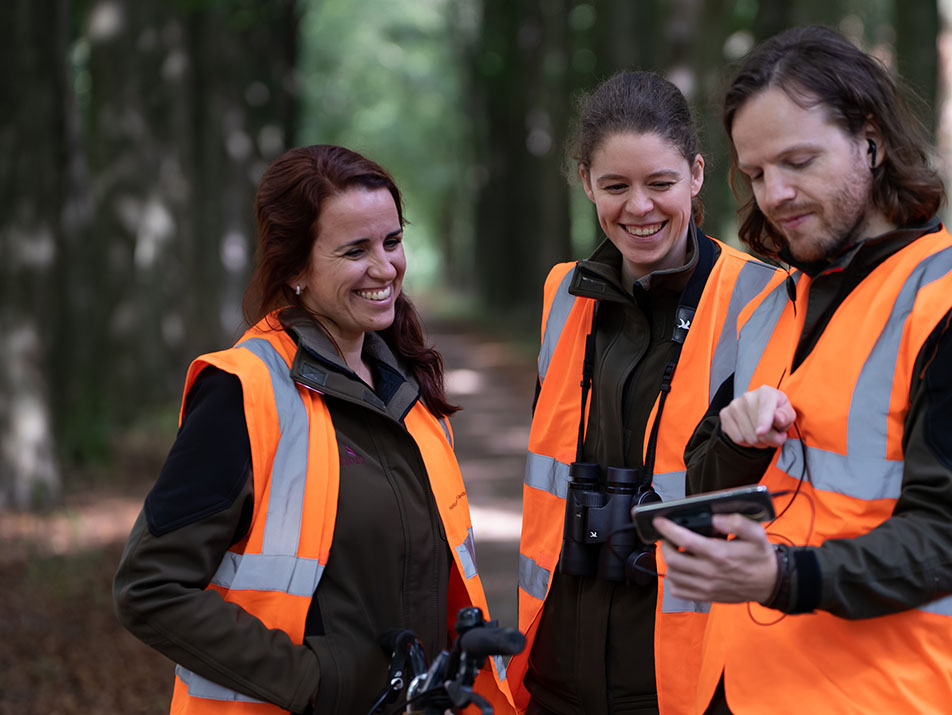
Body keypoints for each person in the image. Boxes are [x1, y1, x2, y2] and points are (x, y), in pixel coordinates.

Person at [654, 26, 952, 715]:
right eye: (756, 174)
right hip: (731, 689)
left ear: (870, 141)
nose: (774, 194)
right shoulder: (769, 302)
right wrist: (733, 439)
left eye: (798, 161)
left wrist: (785, 574)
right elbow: (702, 481)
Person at [114, 144, 513, 714]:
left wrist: (451, 648)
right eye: (355, 250)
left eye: (393, 242)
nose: (385, 268)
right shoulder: (243, 390)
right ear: (296, 268)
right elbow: (148, 589)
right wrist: (318, 679)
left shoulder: (406, 384)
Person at [506, 72, 786, 715]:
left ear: (695, 174)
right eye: (615, 186)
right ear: (585, 183)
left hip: (683, 676)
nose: (639, 208)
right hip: (555, 667)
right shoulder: (561, 295)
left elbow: (762, 499)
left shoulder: (763, 299)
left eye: (660, 183)